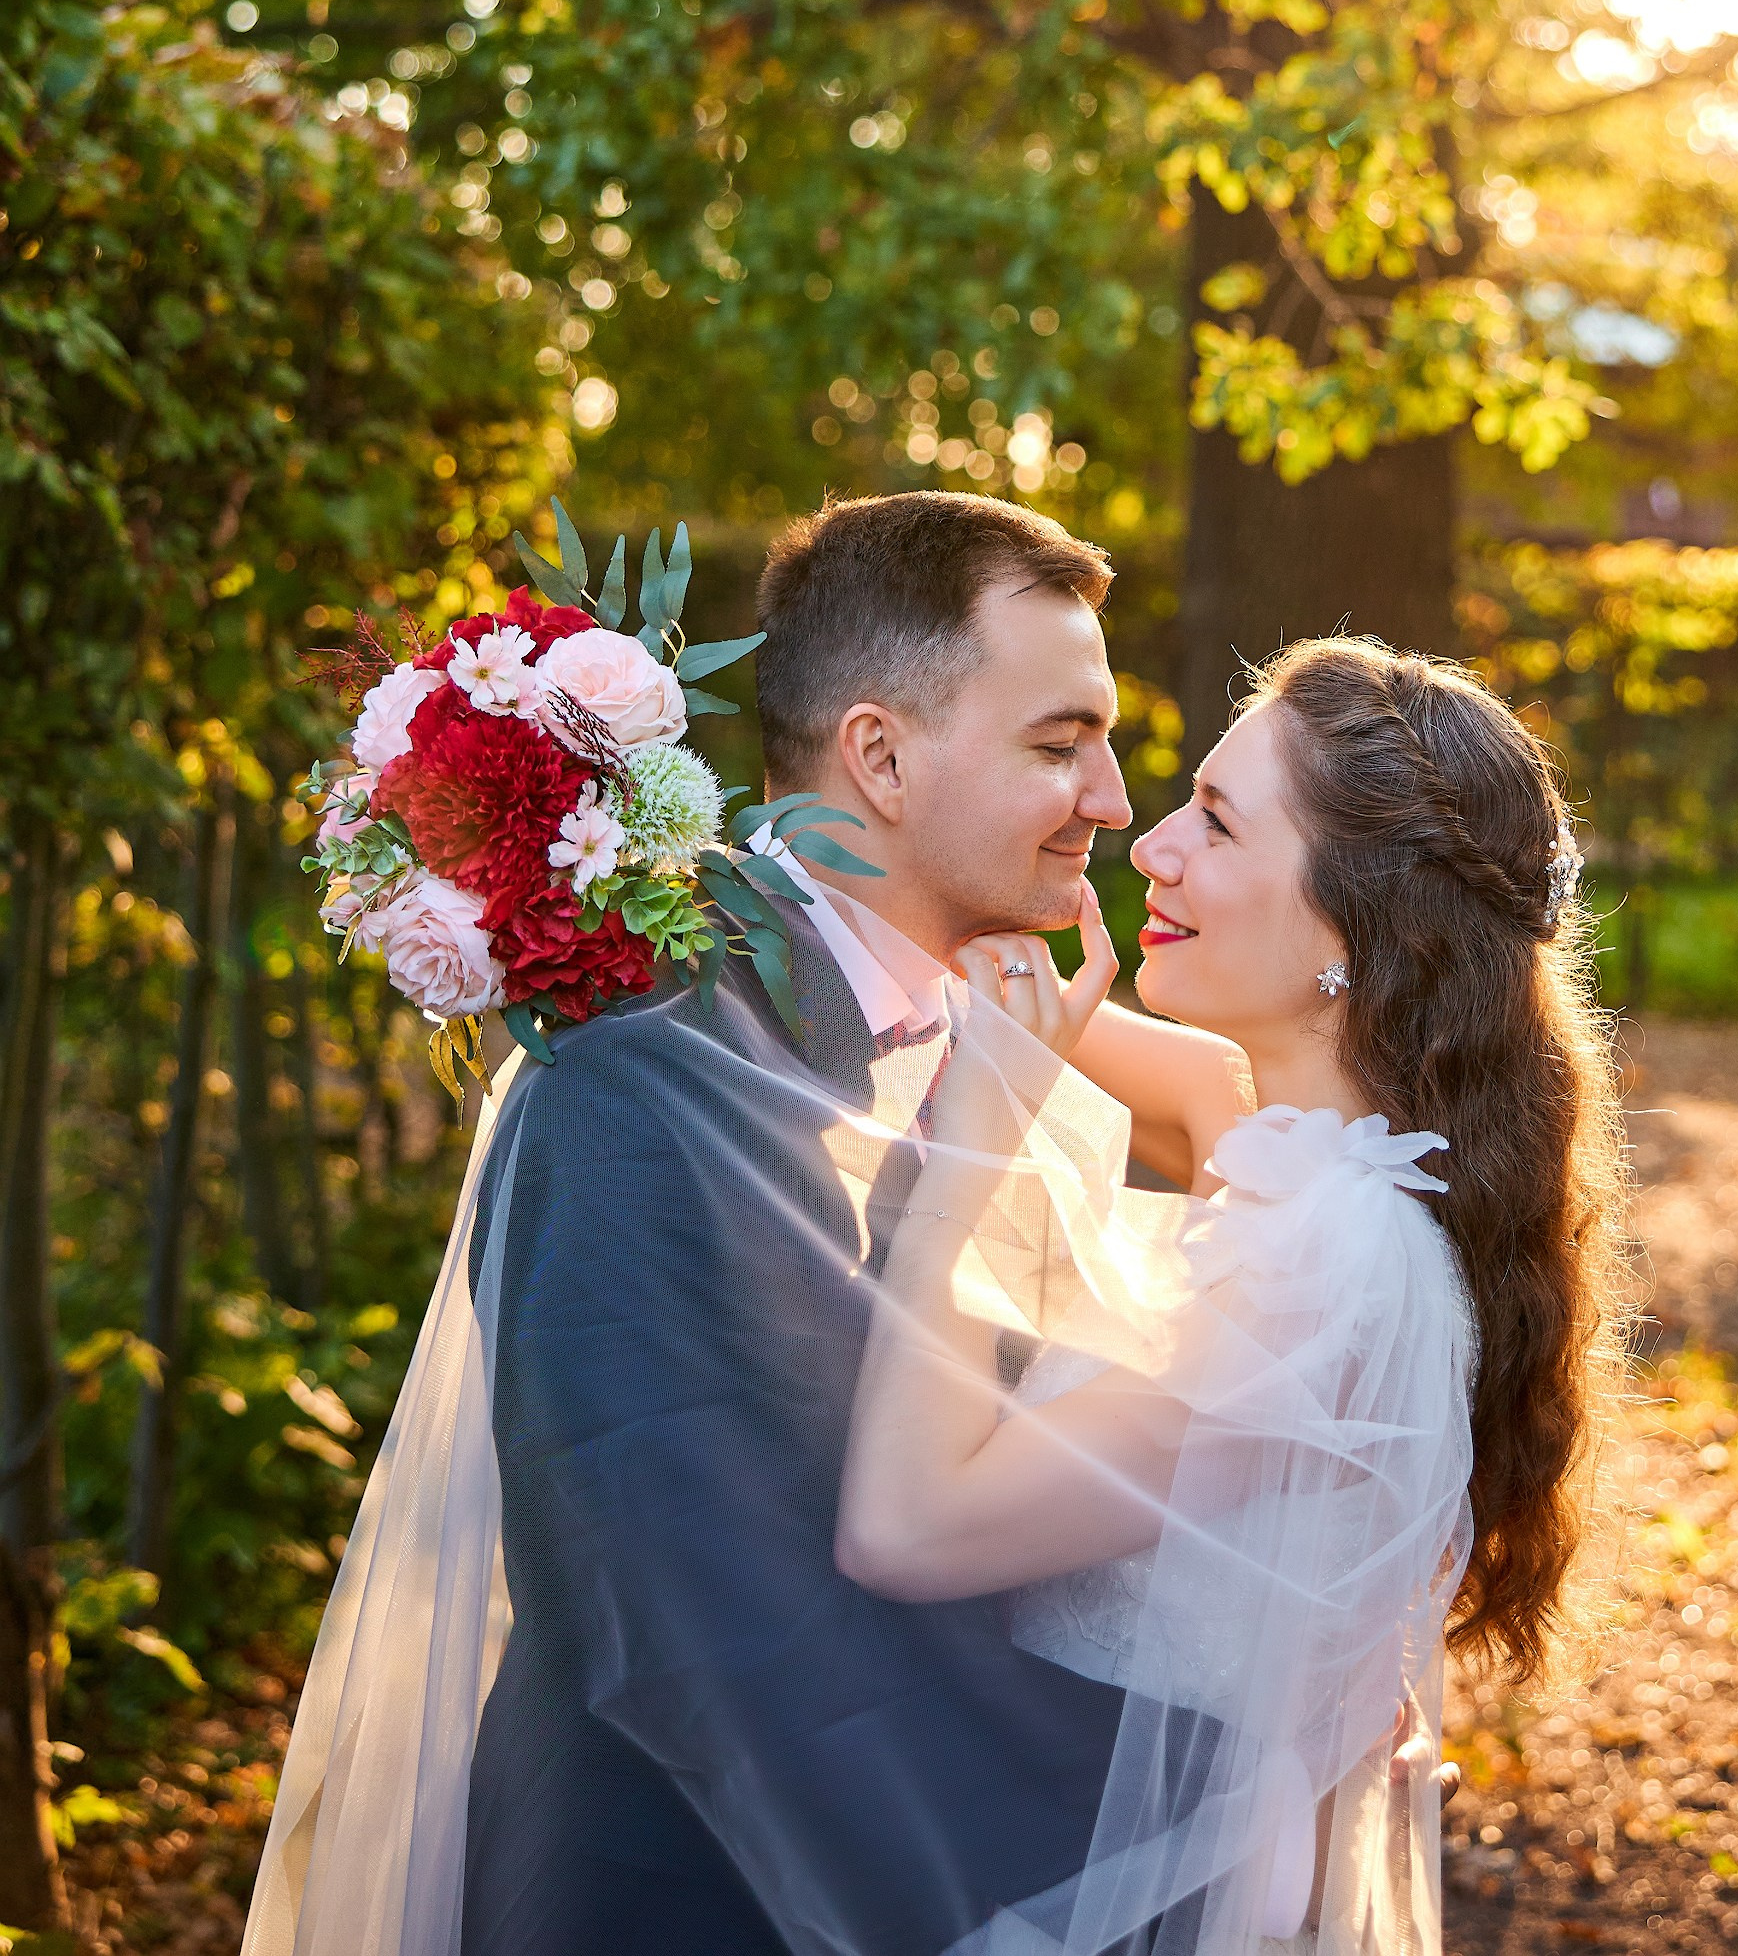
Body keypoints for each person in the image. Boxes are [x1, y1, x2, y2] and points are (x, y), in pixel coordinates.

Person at [242, 490, 1144, 1956]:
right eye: (1060, 746)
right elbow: (694, 1620)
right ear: (881, 757)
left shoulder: (968, 1044)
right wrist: (1140, 1802)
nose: (1110, 800)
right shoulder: (644, 1071)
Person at [836, 635, 1632, 1955]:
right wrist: (916, 910)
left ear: (1356, 929)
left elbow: (903, 1536)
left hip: (1120, 1891)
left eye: (1215, 823)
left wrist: (973, 1143)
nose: (1151, 846)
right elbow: (1191, 1084)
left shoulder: (1326, 1271)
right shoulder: (1331, 1162)